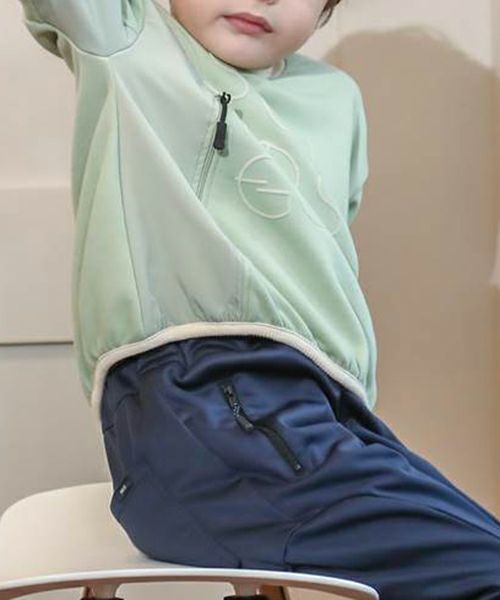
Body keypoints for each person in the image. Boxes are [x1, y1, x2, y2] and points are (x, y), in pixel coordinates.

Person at [18, 0, 500, 597]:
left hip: (327, 406)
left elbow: (322, 257)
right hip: (196, 389)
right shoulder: (129, 45)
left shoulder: (335, 99)